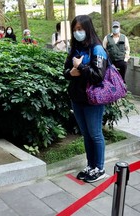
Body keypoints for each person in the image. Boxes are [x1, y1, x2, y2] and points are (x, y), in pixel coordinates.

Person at [63, 15, 108, 183]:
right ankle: (91, 165)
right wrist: (71, 72)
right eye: (75, 30)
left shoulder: (97, 49)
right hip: (77, 98)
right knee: (86, 134)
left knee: (95, 134)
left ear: (88, 29)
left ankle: (100, 168)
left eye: (80, 29)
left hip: (93, 100)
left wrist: (80, 67)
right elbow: (66, 70)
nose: (77, 33)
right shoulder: (75, 48)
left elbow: (98, 76)